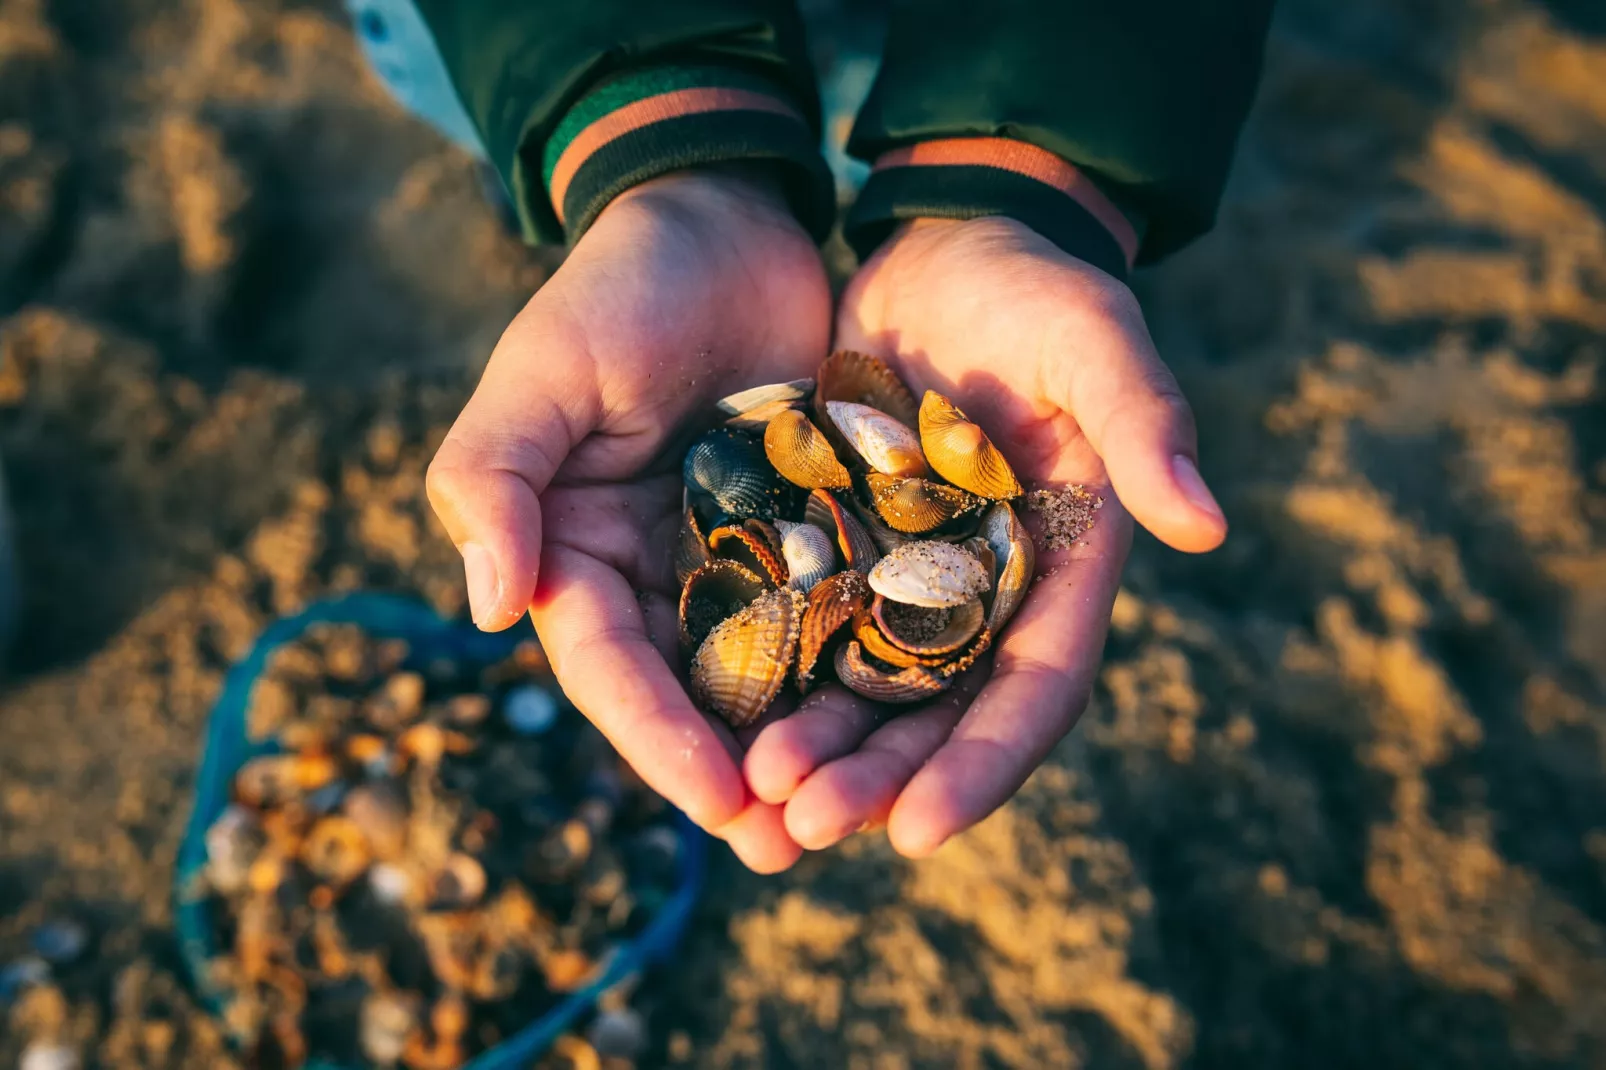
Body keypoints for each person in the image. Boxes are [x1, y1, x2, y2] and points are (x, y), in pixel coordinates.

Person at [384, 0, 1272, 872]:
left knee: (860, 63)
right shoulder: (823, 535)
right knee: (444, 74)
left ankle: (890, 147)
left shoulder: (877, 525)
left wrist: (1021, 178)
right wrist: (638, 132)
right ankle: (599, 165)